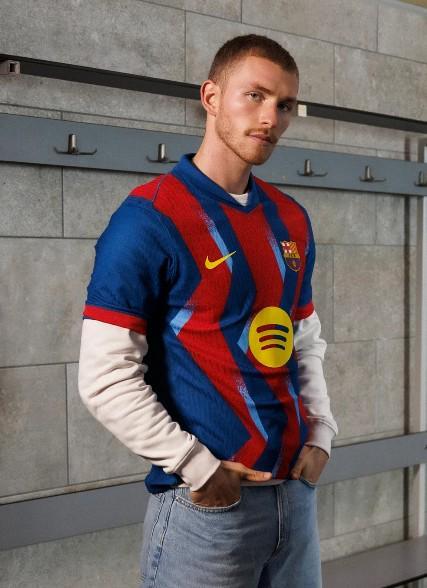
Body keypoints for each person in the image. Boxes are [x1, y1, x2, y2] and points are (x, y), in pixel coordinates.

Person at [78, 33, 338, 588]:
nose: (270, 117)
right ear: (212, 97)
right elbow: (105, 376)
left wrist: (321, 436)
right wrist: (196, 466)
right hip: (209, 511)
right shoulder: (149, 217)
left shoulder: (291, 218)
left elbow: (304, 341)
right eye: (255, 96)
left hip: (295, 502)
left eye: (285, 104)